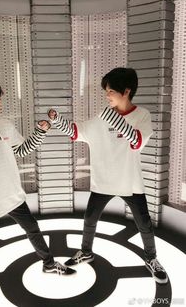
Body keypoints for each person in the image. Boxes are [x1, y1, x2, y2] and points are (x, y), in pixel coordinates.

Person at [0, 77, 76, 291]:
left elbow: (21, 150)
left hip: (11, 193)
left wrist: (40, 132)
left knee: (33, 229)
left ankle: (48, 264)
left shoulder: (4, 124)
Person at [48, 67, 168, 284]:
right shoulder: (104, 116)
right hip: (102, 181)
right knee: (89, 219)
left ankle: (151, 259)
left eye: (110, 91)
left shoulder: (142, 115)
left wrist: (112, 118)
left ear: (126, 91)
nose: (106, 95)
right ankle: (86, 252)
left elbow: (137, 142)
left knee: (144, 224)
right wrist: (58, 121)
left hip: (130, 182)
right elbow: (78, 132)